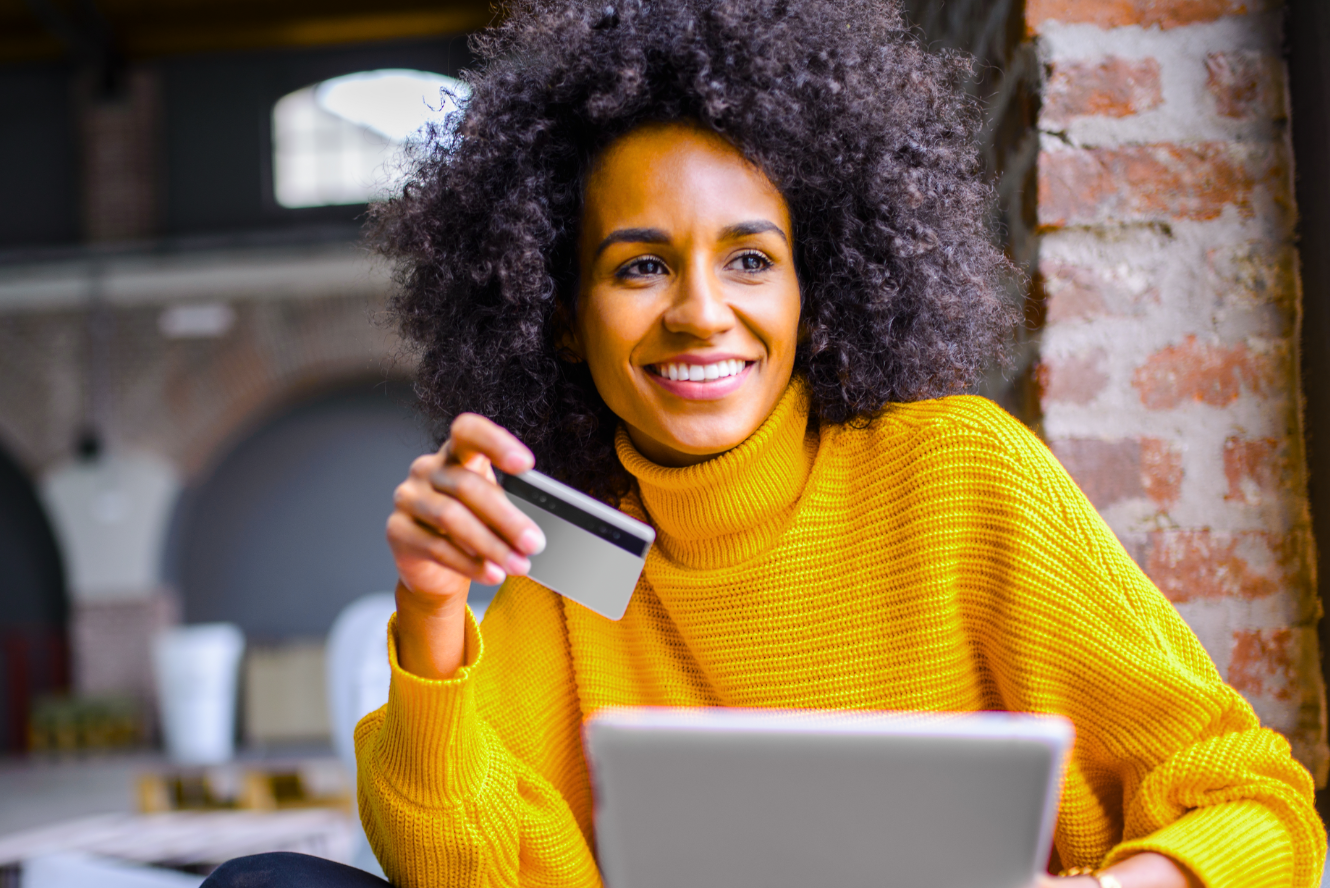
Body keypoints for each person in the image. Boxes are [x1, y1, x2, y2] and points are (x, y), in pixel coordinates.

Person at [203, 0, 1325, 886]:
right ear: (557, 309)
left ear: (812, 284)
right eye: (639, 264)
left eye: (749, 259)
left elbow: (1257, 801)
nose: (699, 312)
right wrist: (433, 614)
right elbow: (468, 874)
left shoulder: (958, 475)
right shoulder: (567, 546)